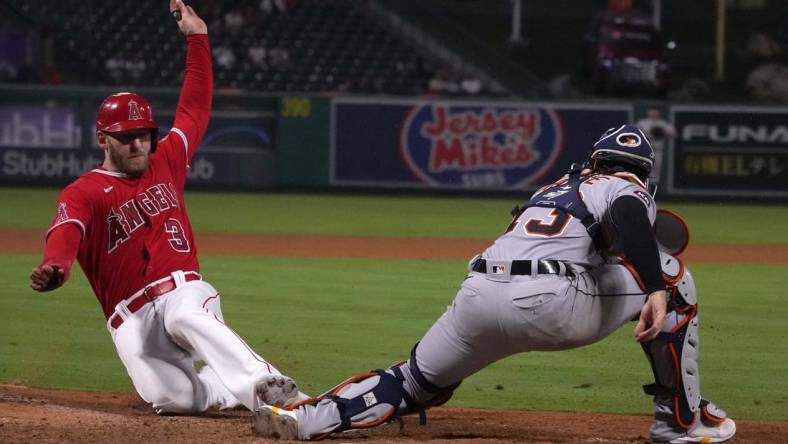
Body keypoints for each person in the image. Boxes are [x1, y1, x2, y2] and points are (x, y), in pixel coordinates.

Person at [253, 124, 736, 443]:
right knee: (675, 279)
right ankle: (679, 421)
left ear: (593, 160)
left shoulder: (550, 190)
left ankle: (304, 419)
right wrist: (652, 287)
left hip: (479, 297)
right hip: (551, 305)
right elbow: (630, 214)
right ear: (641, 173)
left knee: (413, 382)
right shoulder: (625, 187)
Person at [29, 0, 304, 417]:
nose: (139, 144)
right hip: (132, 323)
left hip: (183, 292)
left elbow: (194, 107)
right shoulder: (85, 191)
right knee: (176, 399)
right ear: (103, 138)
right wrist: (57, 265)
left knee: (184, 316)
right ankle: (220, 387)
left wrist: (198, 39)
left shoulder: (167, 158)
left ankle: (272, 391)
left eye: (144, 134)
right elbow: (67, 230)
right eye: (127, 137)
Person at [637, 108, 676, 186]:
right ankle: (643, 189)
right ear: (648, 112)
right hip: (645, 150)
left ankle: (653, 193)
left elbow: (674, 134)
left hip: (657, 150)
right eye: (652, 111)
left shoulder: (662, 123)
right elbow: (634, 132)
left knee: (655, 174)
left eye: (655, 111)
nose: (654, 113)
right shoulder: (643, 123)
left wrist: (663, 131)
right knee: (644, 170)